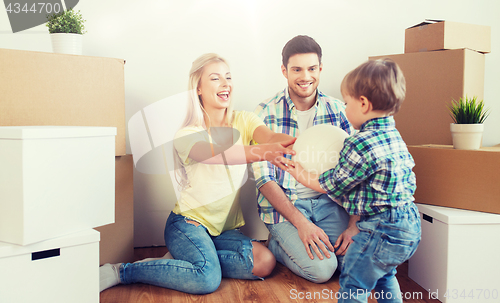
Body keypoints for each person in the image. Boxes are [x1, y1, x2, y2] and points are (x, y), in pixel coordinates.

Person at [100, 53, 297, 294]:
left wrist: (296, 143)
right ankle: (122, 271)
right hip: (188, 224)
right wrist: (264, 152)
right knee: (206, 279)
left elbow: (270, 137)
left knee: (265, 262)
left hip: (224, 230)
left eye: (228, 77)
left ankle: (185, 262)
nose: (226, 84)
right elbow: (217, 154)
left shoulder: (244, 120)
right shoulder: (188, 134)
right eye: (215, 78)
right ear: (199, 88)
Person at [282, 58, 421, 302]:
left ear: (364, 104)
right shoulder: (394, 135)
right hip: (409, 224)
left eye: (347, 103)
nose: (344, 110)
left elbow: (332, 184)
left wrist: (299, 173)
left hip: (379, 228)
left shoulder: (359, 143)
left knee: (353, 284)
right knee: (385, 275)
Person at [252, 35, 356, 283]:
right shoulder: (265, 113)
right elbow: (264, 180)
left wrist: (354, 227)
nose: (305, 76)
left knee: (355, 264)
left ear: (320, 69)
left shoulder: (340, 111)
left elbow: (356, 174)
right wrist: (301, 224)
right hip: (288, 208)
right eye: (297, 69)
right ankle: (278, 245)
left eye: (311, 68)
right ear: (284, 71)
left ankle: (303, 243)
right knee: (322, 270)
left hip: (330, 202)